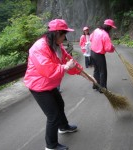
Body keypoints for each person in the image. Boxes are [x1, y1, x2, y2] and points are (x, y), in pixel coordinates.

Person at [24, 19, 92, 150]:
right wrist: (65, 67)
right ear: (57, 34)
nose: (65, 37)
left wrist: (84, 74)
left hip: (49, 84)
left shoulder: (57, 45)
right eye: (64, 34)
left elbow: (69, 60)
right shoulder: (39, 47)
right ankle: (51, 146)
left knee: (60, 105)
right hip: (39, 86)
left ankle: (64, 127)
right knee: (53, 115)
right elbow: (47, 69)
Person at [90, 19, 116, 93]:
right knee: (102, 71)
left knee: (96, 70)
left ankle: (95, 85)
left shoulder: (96, 30)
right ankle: (102, 88)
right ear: (109, 27)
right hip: (99, 55)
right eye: (111, 28)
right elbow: (108, 48)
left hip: (92, 52)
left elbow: (91, 38)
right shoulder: (105, 35)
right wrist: (112, 47)